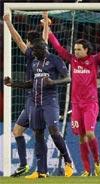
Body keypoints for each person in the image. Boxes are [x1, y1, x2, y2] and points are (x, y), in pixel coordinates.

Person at [46, 11, 100, 176]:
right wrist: (48, 29)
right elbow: (58, 48)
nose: (76, 51)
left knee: (89, 133)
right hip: (76, 105)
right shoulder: (72, 60)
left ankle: (97, 162)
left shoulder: (94, 60)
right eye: (75, 49)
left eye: (79, 49)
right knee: (81, 138)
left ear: (86, 50)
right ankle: (86, 170)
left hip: (90, 104)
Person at [3, 12, 48, 177]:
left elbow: (17, 39)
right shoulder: (43, 50)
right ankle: (24, 165)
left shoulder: (30, 54)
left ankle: (42, 169)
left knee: (38, 134)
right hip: (35, 98)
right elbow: (45, 38)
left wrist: (7, 22)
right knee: (17, 131)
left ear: (30, 43)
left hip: (35, 98)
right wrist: (46, 18)